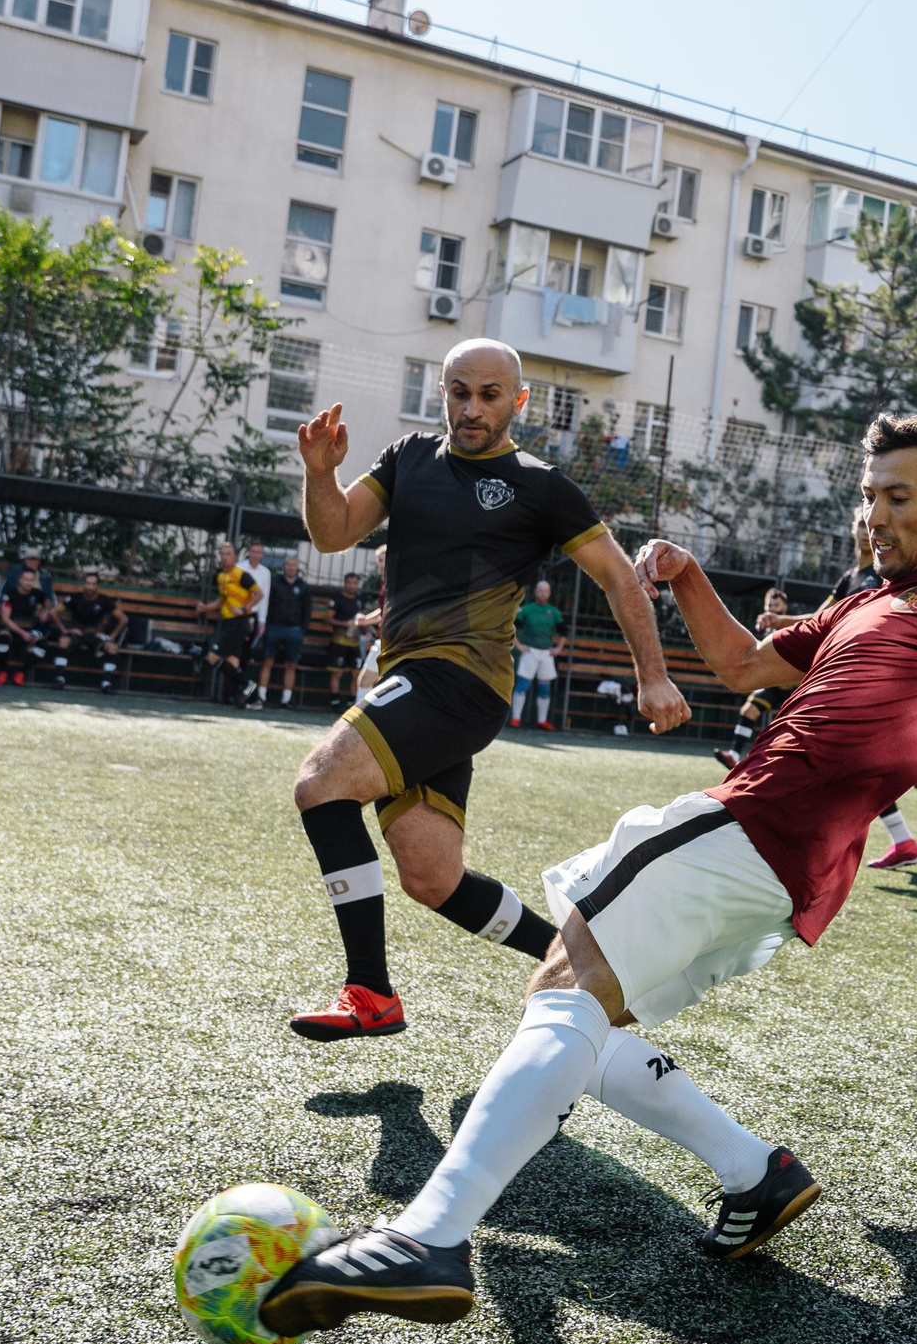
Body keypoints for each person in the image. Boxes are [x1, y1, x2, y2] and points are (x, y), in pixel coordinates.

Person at [257, 411, 917, 1336]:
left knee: (569, 989)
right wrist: (689, 581)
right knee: (582, 1004)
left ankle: (429, 1237)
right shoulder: (864, 606)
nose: (872, 515)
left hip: (754, 823)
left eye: (897, 497)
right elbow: (748, 666)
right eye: (866, 495)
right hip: (782, 866)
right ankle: (754, 1173)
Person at [284, 339, 687, 1041]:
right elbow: (333, 531)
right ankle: (579, 963)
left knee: (321, 783)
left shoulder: (540, 485)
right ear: (441, 391)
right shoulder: (408, 457)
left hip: (460, 681)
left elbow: (621, 576)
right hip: (412, 676)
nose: (472, 408)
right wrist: (320, 472)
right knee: (433, 878)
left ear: (518, 401)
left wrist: (652, 675)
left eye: (490, 394)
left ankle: (369, 992)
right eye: (459, 391)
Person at [753, 520, 917, 867]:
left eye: (869, 524)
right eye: (860, 524)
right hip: (845, 677)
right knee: (854, 770)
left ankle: (799, 843)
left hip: (864, 679)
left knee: (839, 764)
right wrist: (780, 621)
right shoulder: (849, 577)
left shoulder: (884, 575)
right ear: (850, 530)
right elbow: (821, 618)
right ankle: (903, 838)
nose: (865, 530)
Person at [715, 589, 795, 774]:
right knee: (749, 710)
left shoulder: (792, 625)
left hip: (796, 685)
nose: (772, 609)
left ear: (785, 607)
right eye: (769, 606)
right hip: (775, 683)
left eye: (776, 606)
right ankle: (734, 755)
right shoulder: (765, 628)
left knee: (791, 725)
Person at [197, 540, 264, 706]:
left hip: (239, 623)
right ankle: (254, 699)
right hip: (227, 622)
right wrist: (206, 607)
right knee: (232, 664)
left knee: (212, 658)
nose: (224, 557)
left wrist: (243, 608)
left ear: (235, 557)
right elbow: (222, 600)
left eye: (228, 554)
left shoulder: (241, 575)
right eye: (222, 554)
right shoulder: (221, 577)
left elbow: (259, 594)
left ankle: (248, 684)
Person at [506, 577, 568, 730]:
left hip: (546, 653)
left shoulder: (553, 612)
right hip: (530, 652)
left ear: (549, 593)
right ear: (535, 591)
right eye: (540, 590)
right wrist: (519, 646)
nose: (543, 593)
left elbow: (563, 633)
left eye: (546, 591)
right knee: (522, 685)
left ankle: (541, 720)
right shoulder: (526, 609)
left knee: (544, 688)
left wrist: (558, 649)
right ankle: (515, 719)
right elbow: (511, 628)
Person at [254, 555, 314, 709]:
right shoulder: (274, 583)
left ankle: (286, 700)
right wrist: (265, 624)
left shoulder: (304, 587)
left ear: (297, 567)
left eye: (294, 565)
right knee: (267, 661)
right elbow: (266, 604)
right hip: (274, 627)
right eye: (288, 565)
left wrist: (303, 631)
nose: (291, 568)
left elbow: (307, 611)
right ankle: (261, 697)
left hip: (294, 630)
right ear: (284, 566)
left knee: (291, 664)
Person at [53, 572, 128, 692]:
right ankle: (59, 679)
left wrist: (111, 636)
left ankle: (106, 684)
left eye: (93, 584)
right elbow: (54, 612)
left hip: (96, 635)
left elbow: (123, 619)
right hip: (77, 634)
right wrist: (65, 630)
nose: (90, 587)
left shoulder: (104, 600)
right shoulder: (75, 598)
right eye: (88, 583)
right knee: (63, 641)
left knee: (112, 648)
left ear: (97, 586)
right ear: (84, 584)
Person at [0, 564, 54, 686]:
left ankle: (21, 674)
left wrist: (46, 610)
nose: (28, 583)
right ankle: (3, 672)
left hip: (29, 629)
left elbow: (47, 601)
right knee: (3, 638)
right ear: (20, 580)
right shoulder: (10, 593)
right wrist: (22, 632)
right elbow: (5, 618)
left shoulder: (37, 593)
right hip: (11, 628)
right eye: (26, 579)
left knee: (42, 644)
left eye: (31, 580)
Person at [326, 574, 377, 703]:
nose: (351, 585)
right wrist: (344, 624)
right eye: (349, 583)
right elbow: (327, 618)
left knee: (357, 674)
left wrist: (366, 632)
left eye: (354, 583)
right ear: (344, 583)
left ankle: (352, 702)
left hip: (355, 643)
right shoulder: (337, 600)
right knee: (337, 673)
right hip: (339, 641)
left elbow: (363, 621)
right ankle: (335, 701)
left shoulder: (360, 601)